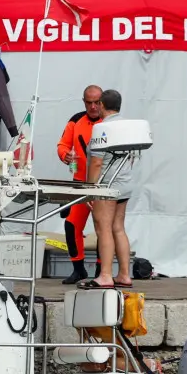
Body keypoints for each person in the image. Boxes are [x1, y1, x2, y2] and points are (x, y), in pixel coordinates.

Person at [83, 89, 134, 289]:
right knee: (118, 228)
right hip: (125, 182)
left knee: (103, 228)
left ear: (102, 105)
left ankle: (105, 275)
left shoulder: (101, 128)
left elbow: (96, 163)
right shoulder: (128, 127)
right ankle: (124, 274)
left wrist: (89, 189)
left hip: (107, 184)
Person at [56, 84, 104, 284]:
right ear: (84, 102)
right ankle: (79, 269)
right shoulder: (76, 121)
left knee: (104, 228)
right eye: (89, 102)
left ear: (103, 102)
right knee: (71, 224)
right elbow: (63, 145)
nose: (93, 107)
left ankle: (103, 270)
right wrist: (65, 155)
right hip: (79, 184)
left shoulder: (109, 121)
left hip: (102, 185)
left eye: (97, 102)